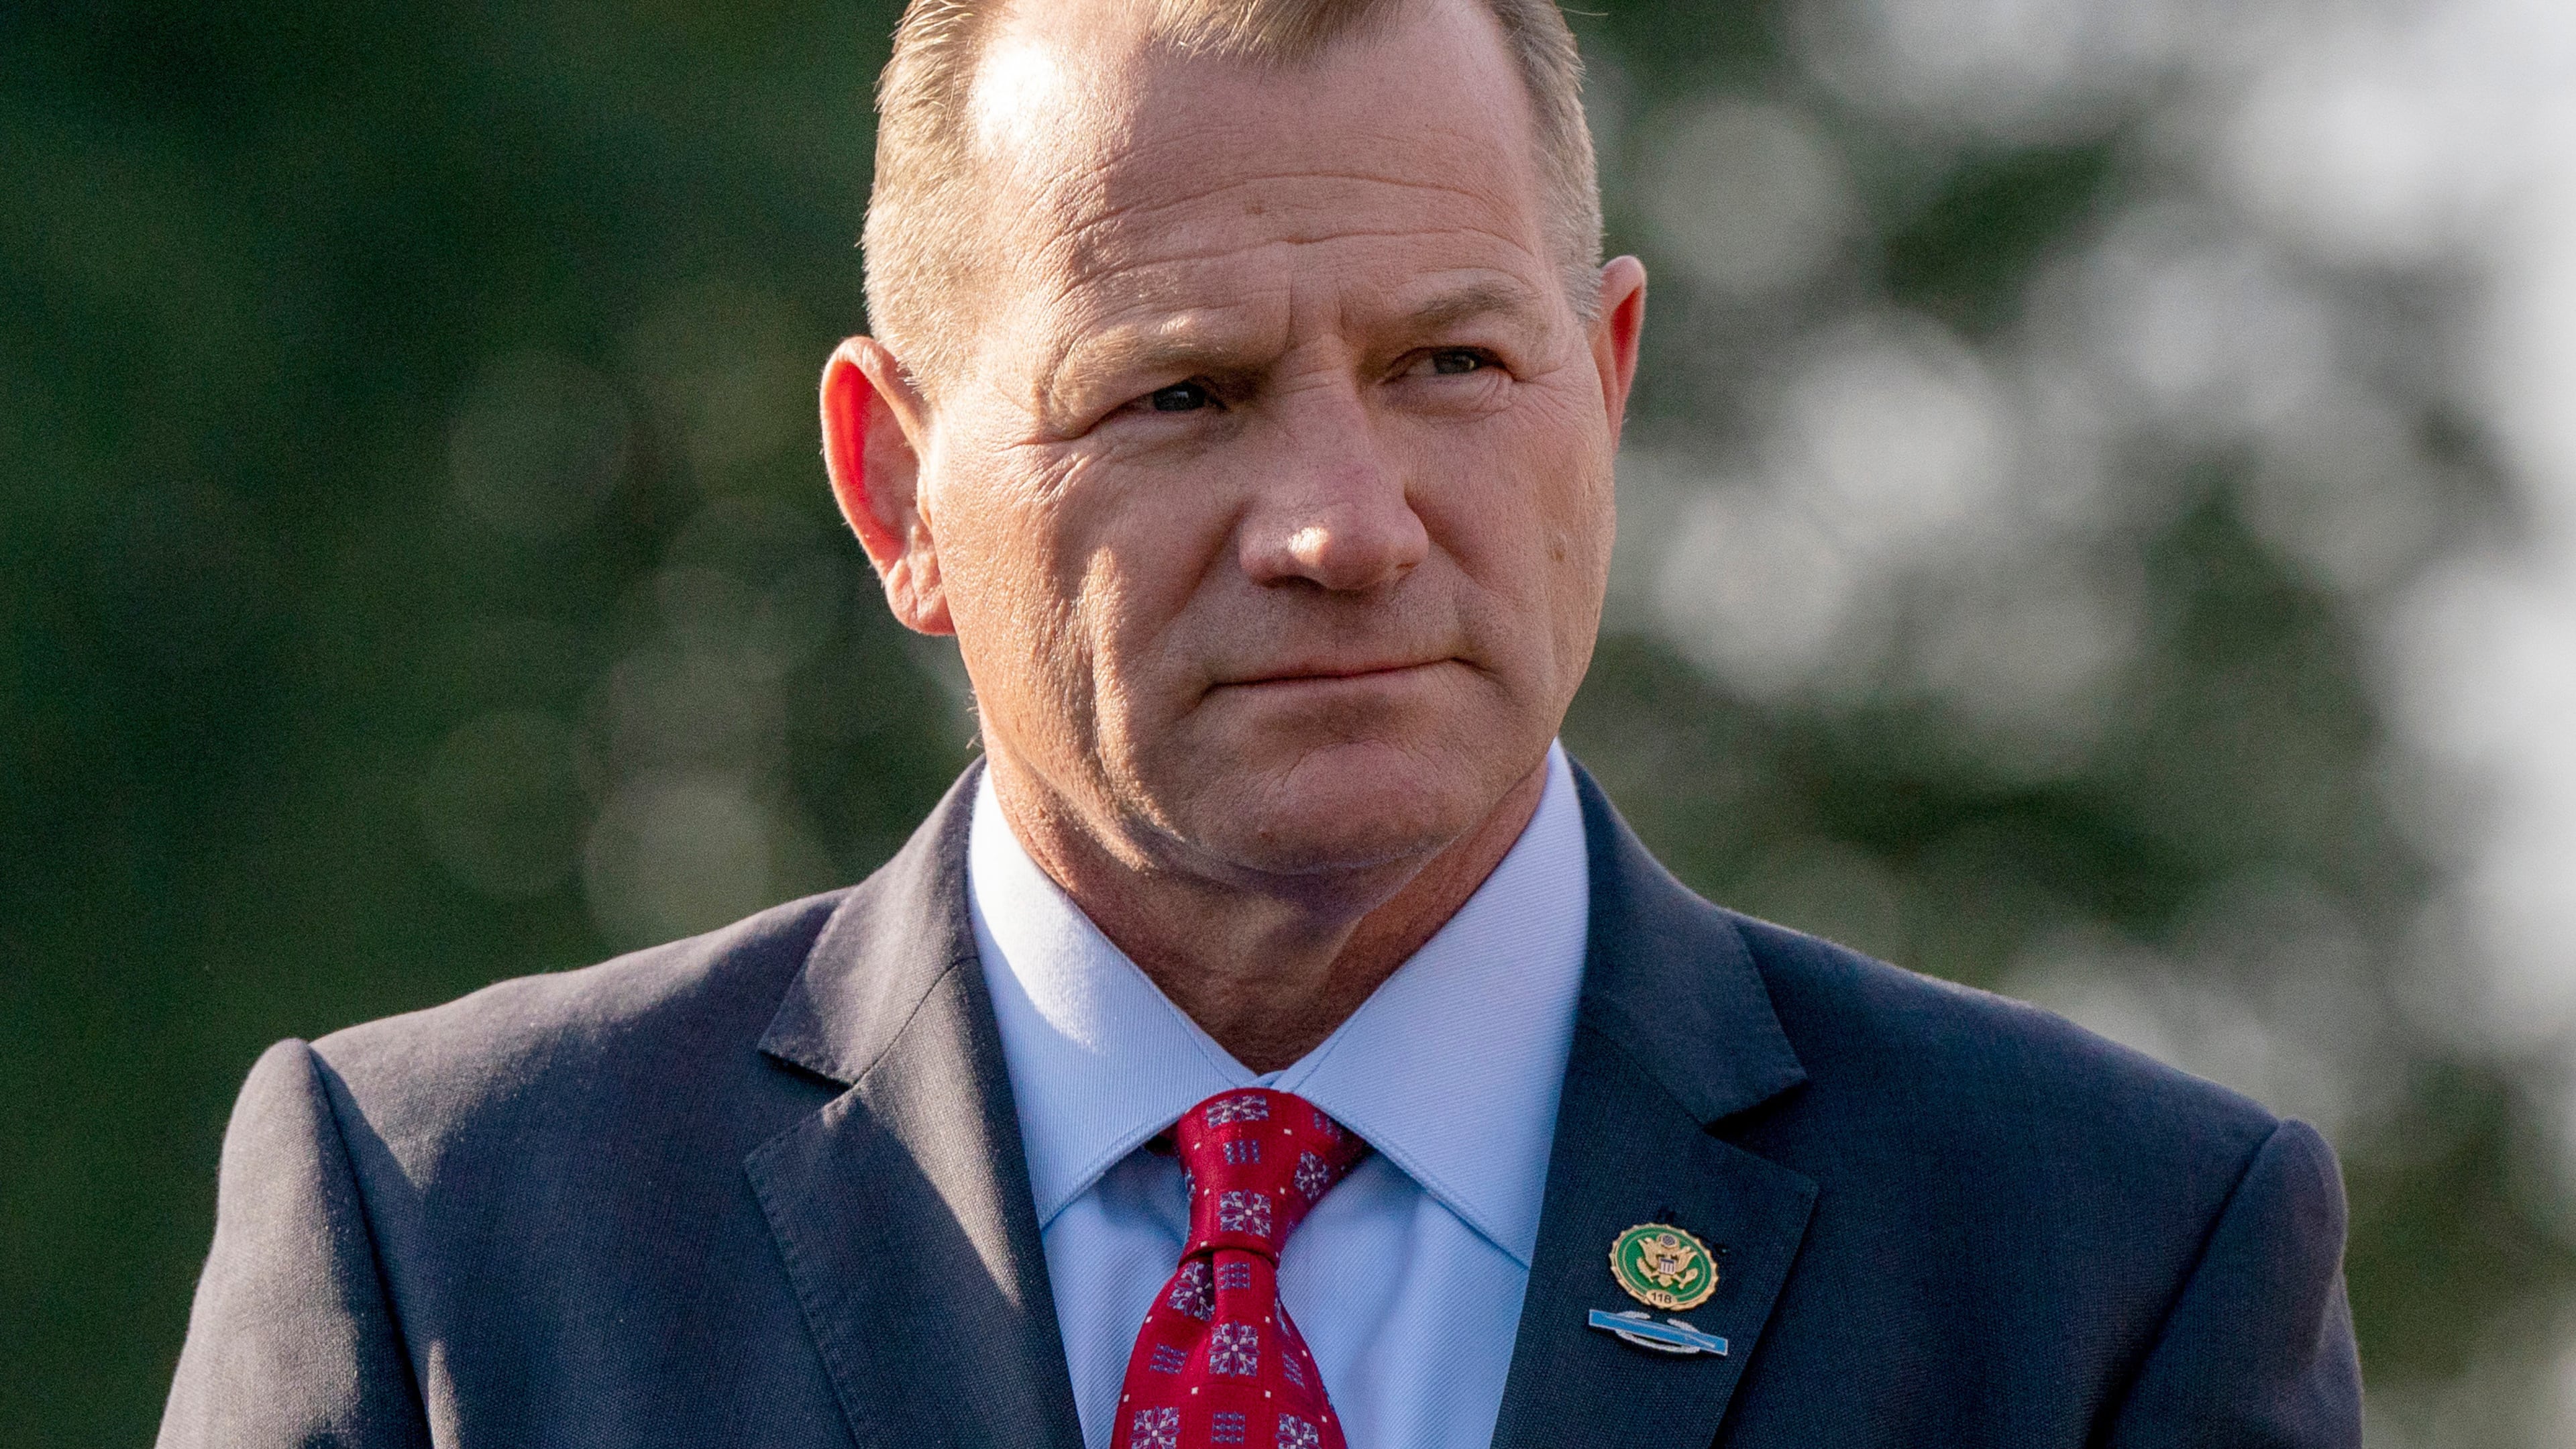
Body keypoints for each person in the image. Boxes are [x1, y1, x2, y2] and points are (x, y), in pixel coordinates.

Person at [158, 0, 2363, 1445]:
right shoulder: (454, 1239)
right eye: (1180, 393)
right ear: (892, 489)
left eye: (1451, 369)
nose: (1342, 525)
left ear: (1606, 388)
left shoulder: (2106, 1267)